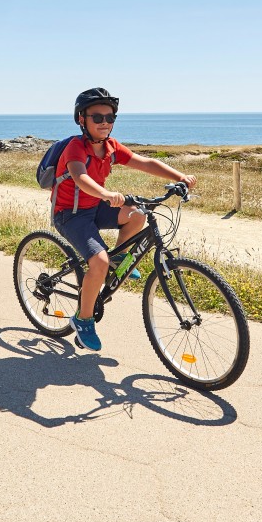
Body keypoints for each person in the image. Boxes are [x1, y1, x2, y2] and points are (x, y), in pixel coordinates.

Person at [52, 87, 197, 352]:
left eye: (110, 117)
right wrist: (106, 193)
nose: (105, 123)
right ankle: (83, 320)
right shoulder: (76, 147)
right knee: (98, 261)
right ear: (82, 119)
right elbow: (80, 178)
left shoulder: (111, 147)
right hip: (70, 214)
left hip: (95, 207)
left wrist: (179, 176)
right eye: (98, 117)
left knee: (138, 213)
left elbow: (145, 162)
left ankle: (118, 260)